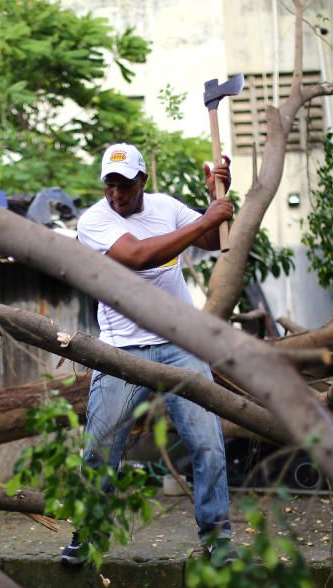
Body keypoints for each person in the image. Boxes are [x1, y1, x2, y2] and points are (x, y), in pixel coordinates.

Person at [64, 142, 235, 566]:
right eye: (110, 185)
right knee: (100, 449)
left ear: (142, 180)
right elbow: (137, 257)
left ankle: (217, 539)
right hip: (123, 349)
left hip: (180, 341)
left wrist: (217, 195)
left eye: (125, 185)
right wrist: (206, 220)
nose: (117, 195)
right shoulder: (94, 221)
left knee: (208, 444)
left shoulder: (165, 206)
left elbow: (213, 238)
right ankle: (88, 534)